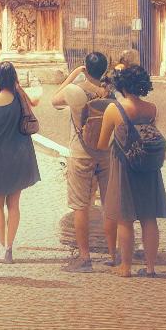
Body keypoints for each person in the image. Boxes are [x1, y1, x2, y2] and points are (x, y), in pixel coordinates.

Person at [99, 63, 166, 278]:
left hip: (124, 166)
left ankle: (125, 267)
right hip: (148, 166)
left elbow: (102, 143)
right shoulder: (152, 109)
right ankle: (150, 267)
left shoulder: (114, 109)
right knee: (149, 218)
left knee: (125, 218)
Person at [50, 51, 113, 272]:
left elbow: (54, 100)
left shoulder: (74, 91)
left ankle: (85, 257)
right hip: (105, 153)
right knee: (110, 205)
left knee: (80, 207)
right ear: (104, 70)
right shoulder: (110, 92)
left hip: (80, 152)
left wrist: (74, 74)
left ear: (85, 68)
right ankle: (115, 254)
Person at [0, 60, 40, 263]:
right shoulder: (20, 97)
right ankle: (9, 248)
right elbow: (36, 100)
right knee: (14, 204)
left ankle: (0, 245)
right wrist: (19, 86)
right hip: (20, 154)